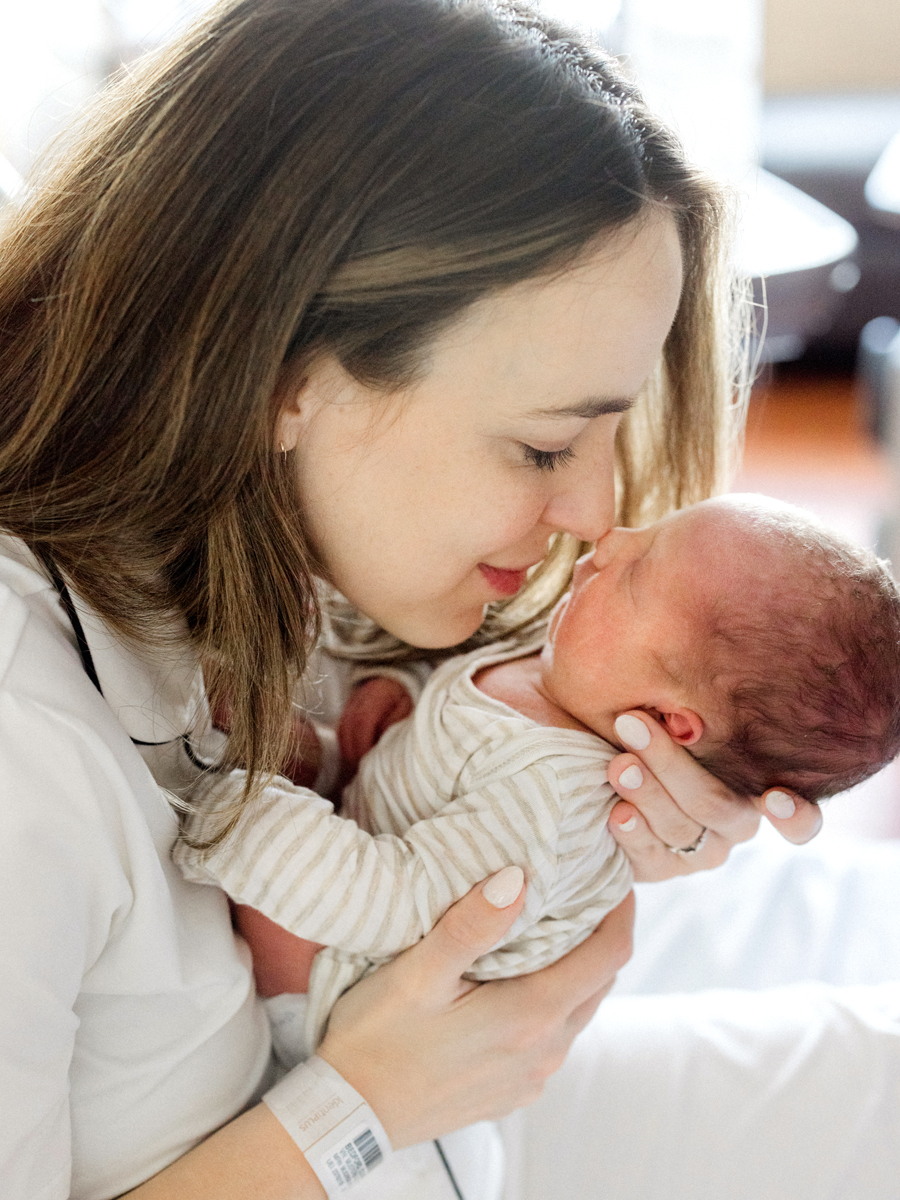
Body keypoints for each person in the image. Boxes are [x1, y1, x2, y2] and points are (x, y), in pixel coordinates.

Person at [0, 0, 867, 1198]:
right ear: (288, 382)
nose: (596, 517)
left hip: (461, 1108)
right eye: (541, 448)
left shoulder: (269, 534)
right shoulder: (23, 754)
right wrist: (363, 1109)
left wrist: (606, 829)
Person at [176, 493, 900, 1064]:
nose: (610, 541)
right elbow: (455, 741)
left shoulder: (553, 796)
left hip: (350, 986)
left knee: (272, 867)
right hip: (372, 833)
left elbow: (396, 904)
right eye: (646, 529)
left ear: (669, 721)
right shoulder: (576, 677)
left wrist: (237, 813)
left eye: (641, 570)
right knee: (298, 754)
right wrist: (394, 711)